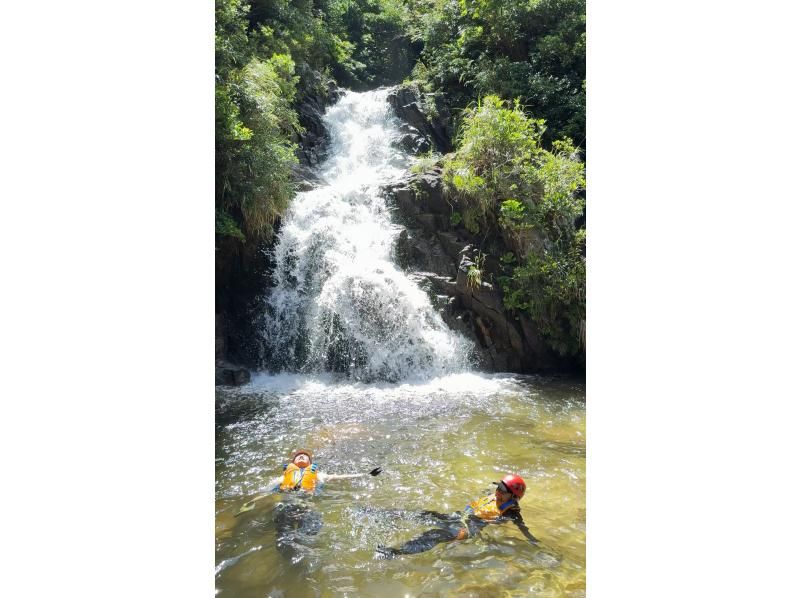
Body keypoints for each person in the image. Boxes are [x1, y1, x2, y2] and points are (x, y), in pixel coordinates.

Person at [374, 473, 538, 559]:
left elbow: (523, 529)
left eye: (502, 491)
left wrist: (533, 542)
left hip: (468, 527)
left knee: (433, 535)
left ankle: (394, 553)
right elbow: (480, 501)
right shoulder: (494, 496)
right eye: (498, 487)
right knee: (426, 514)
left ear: (513, 497)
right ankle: (380, 514)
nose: (497, 492)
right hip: (460, 516)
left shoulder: (511, 512)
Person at [235, 448, 382, 515]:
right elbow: (267, 491)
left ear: (310, 462)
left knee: (309, 515)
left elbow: (339, 477)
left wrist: (366, 474)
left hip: (306, 501)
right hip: (286, 499)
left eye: (305, 457)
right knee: (282, 515)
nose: (301, 457)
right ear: (292, 462)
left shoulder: (318, 475)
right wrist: (253, 501)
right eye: (298, 457)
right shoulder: (282, 478)